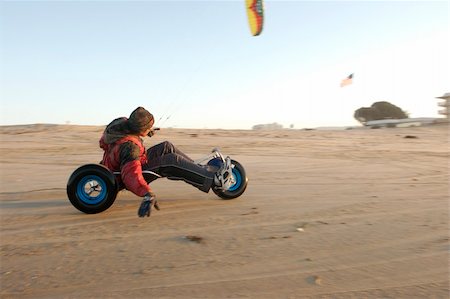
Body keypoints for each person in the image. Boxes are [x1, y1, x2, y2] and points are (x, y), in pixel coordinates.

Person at [99, 107, 233, 218]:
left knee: (166, 146)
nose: (150, 130)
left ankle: (197, 170)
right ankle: (213, 180)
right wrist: (147, 194)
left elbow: (131, 132)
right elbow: (131, 175)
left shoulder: (120, 124)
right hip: (122, 177)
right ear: (140, 130)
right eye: (148, 128)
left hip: (123, 163)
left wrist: (146, 132)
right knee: (171, 161)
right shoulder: (130, 148)